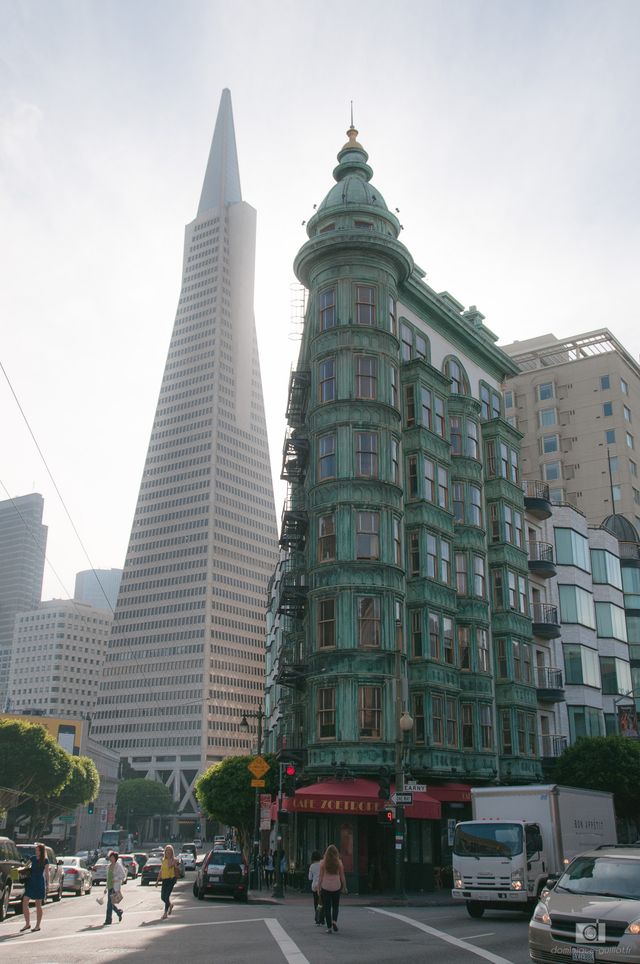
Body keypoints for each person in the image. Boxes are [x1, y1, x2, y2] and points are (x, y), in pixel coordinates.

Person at [20, 843, 49, 933]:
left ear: (41, 851)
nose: (36, 851)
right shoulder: (32, 858)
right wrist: (22, 866)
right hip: (31, 882)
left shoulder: (45, 860)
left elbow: (47, 873)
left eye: (37, 850)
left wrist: (48, 884)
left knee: (38, 904)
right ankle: (27, 923)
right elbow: (25, 866)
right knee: (25, 900)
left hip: (39, 882)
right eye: (35, 850)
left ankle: (37, 926)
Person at [318, 844, 347, 934]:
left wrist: (319, 887)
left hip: (326, 886)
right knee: (335, 906)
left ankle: (329, 927)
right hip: (336, 886)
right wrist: (344, 887)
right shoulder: (339, 863)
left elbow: (320, 877)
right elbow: (342, 876)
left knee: (327, 907)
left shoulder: (323, 863)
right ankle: (334, 921)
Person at [156, 844, 178, 919]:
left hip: (171, 880)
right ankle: (170, 905)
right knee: (162, 897)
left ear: (172, 852)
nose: (168, 852)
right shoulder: (163, 860)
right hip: (164, 880)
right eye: (167, 851)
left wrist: (174, 863)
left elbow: (175, 866)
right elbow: (161, 871)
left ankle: (165, 913)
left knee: (166, 896)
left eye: (169, 851)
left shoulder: (174, 860)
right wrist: (157, 881)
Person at [104, 850, 126, 925]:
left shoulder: (118, 865)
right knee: (111, 903)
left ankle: (108, 920)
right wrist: (106, 888)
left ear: (115, 858)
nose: (111, 859)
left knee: (109, 903)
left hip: (115, 886)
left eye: (112, 857)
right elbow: (108, 878)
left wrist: (116, 879)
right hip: (110, 886)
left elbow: (123, 875)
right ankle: (119, 912)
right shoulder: (108, 866)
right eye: (110, 857)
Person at [308, 850, 322, 925]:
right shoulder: (322, 865)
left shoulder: (312, 866)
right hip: (321, 886)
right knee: (321, 902)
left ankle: (317, 919)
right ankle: (322, 918)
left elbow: (310, 878)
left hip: (314, 886)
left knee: (316, 902)